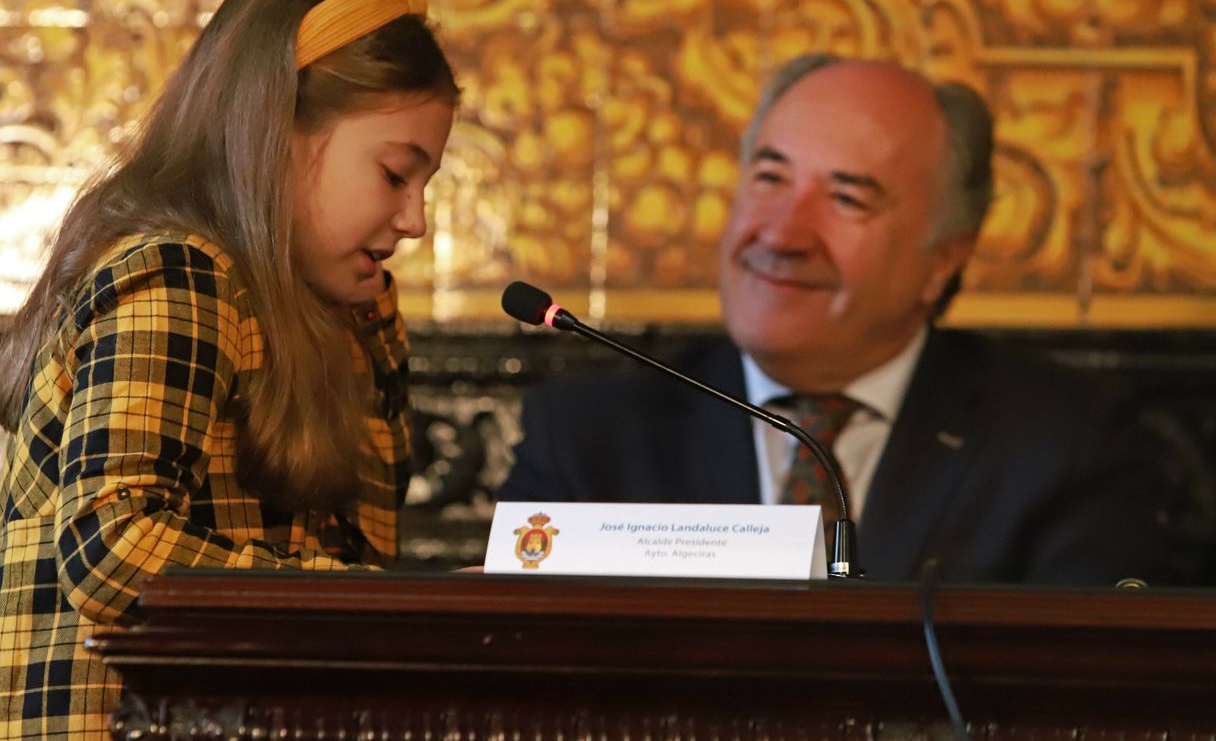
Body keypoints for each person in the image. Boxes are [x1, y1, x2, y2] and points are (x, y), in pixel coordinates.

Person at [0, 0, 457, 739]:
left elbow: (363, 551)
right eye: (395, 173)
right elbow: (114, 548)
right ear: (277, 132)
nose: (415, 219)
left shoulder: (344, 312)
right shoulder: (177, 273)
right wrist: (394, 606)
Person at [499, 54, 1176, 585]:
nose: (783, 234)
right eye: (769, 178)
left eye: (847, 198)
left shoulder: (1066, 444)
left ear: (944, 257)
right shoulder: (589, 440)